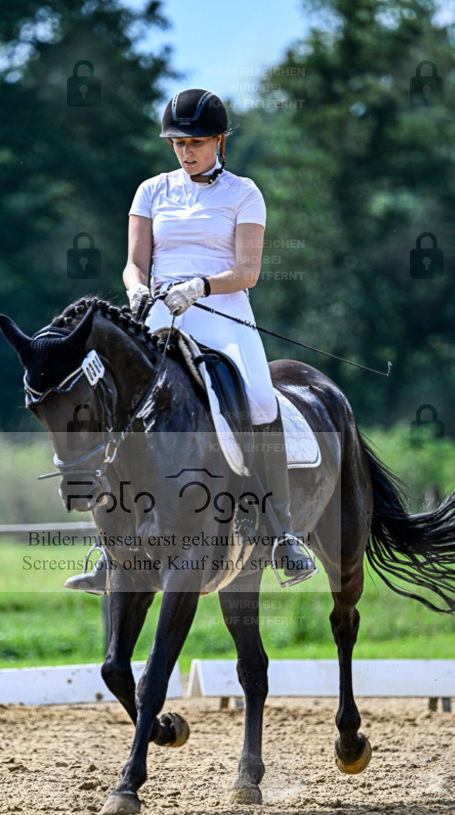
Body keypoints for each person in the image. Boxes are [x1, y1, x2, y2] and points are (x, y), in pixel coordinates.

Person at [65, 88, 316, 594]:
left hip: (222, 313)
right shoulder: (152, 191)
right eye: (178, 142)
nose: (186, 151)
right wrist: (136, 289)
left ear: (220, 140)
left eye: (197, 141)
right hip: (157, 313)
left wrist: (200, 285)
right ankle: (109, 543)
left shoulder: (244, 193)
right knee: (116, 399)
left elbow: (248, 271)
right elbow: (135, 262)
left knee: (262, 398)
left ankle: (282, 532)